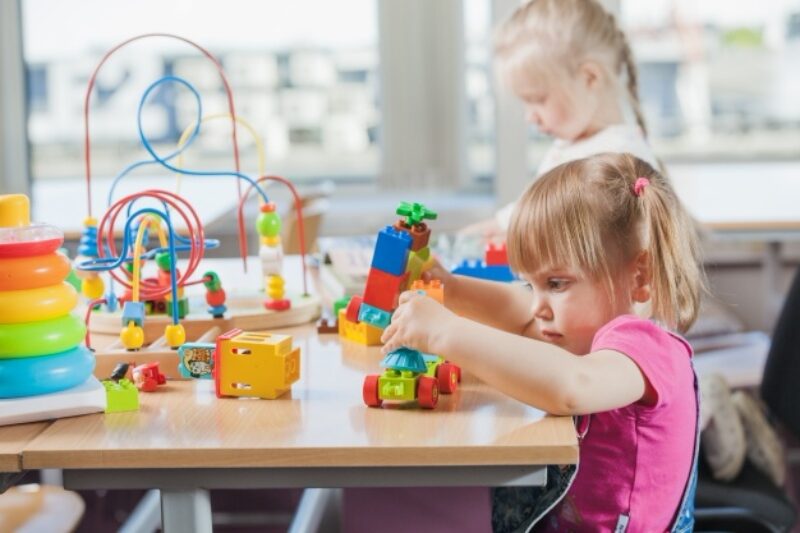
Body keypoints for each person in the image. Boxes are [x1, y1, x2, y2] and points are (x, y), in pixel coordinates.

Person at [382, 153, 704, 531]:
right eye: (531, 283)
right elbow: (520, 310)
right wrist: (451, 288)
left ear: (639, 277)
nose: (538, 305)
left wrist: (444, 332)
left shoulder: (646, 347)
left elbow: (572, 387)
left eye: (555, 284)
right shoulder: (587, 329)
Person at [464, 0, 659, 239]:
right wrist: (490, 229)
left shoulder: (619, 162)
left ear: (589, 78)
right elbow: (534, 214)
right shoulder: (573, 146)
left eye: (538, 99)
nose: (530, 116)